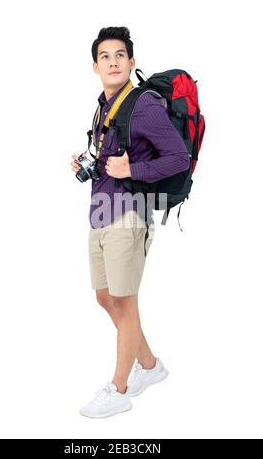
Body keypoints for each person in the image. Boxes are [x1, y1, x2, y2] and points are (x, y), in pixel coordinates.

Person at [70, 27, 190, 419]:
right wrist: (88, 164)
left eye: (120, 55)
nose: (113, 61)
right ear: (95, 65)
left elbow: (178, 158)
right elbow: (111, 153)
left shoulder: (145, 105)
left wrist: (131, 168)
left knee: (125, 300)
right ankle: (152, 367)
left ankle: (119, 390)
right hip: (100, 210)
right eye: (105, 56)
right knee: (104, 296)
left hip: (130, 212)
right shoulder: (104, 105)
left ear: (132, 62)